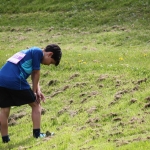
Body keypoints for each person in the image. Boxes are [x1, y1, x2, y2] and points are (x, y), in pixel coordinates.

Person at [0, 44, 62, 143]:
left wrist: (38, 90)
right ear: (50, 54)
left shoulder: (29, 52)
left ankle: (5, 139)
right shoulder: (38, 52)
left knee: (4, 109)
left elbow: (34, 74)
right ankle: (37, 135)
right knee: (36, 104)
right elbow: (36, 73)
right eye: (50, 62)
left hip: (1, 80)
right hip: (15, 79)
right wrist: (33, 93)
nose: (48, 64)